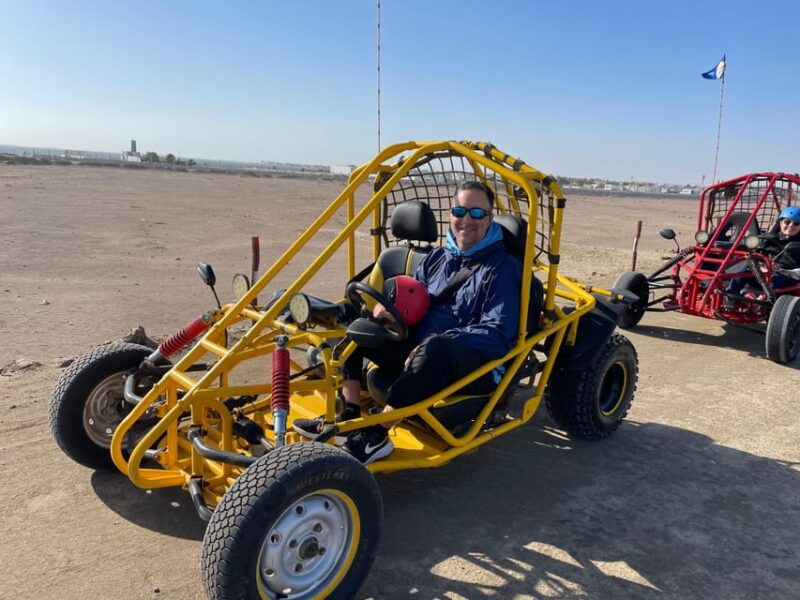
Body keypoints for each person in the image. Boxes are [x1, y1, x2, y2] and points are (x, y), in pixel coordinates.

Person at [294, 180, 522, 464]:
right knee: (357, 325)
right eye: (460, 210)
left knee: (434, 349)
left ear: (489, 218)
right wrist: (386, 313)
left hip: (473, 363)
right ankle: (348, 419)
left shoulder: (502, 268)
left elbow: (498, 332)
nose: (467, 220)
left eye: (477, 213)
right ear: (450, 214)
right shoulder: (439, 257)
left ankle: (375, 437)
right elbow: (415, 302)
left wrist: (438, 342)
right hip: (421, 348)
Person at [725, 206, 800, 299]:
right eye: (787, 222)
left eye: (796, 223)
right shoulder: (769, 237)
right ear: (780, 223)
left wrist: (780, 271)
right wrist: (760, 265)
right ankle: (730, 296)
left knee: (776, 277)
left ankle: (763, 301)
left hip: (788, 276)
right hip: (764, 270)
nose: (791, 225)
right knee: (745, 264)